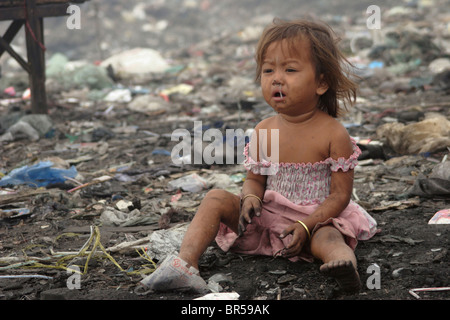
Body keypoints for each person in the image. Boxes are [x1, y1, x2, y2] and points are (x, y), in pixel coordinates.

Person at [139, 18, 378, 294]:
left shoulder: (333, 133)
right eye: (268, 70)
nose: (276, 78)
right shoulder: (264, 130)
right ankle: (185, 264)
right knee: (215, 198)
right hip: (269, 215)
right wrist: (251, 197)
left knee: (329, 238)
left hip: (315, 218)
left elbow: (339, 196)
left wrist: (306, 223)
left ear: (321, 82)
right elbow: (255, 180)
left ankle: (343, 265)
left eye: (290, 69)